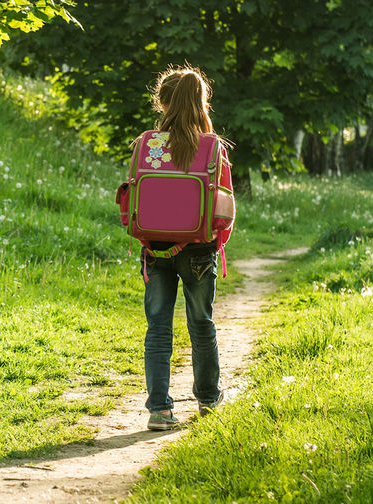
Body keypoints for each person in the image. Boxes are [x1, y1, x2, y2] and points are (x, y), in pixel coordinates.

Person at [142, 66, 229, 430]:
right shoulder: (211, 148)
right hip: (198, 251)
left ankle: (159, 410)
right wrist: (215, 244)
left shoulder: (148, 144)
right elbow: (224, 211)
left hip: (157, 249)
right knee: (201, 323)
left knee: (158, 327)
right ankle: (208, 401)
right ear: (200, 101)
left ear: (163, 103)